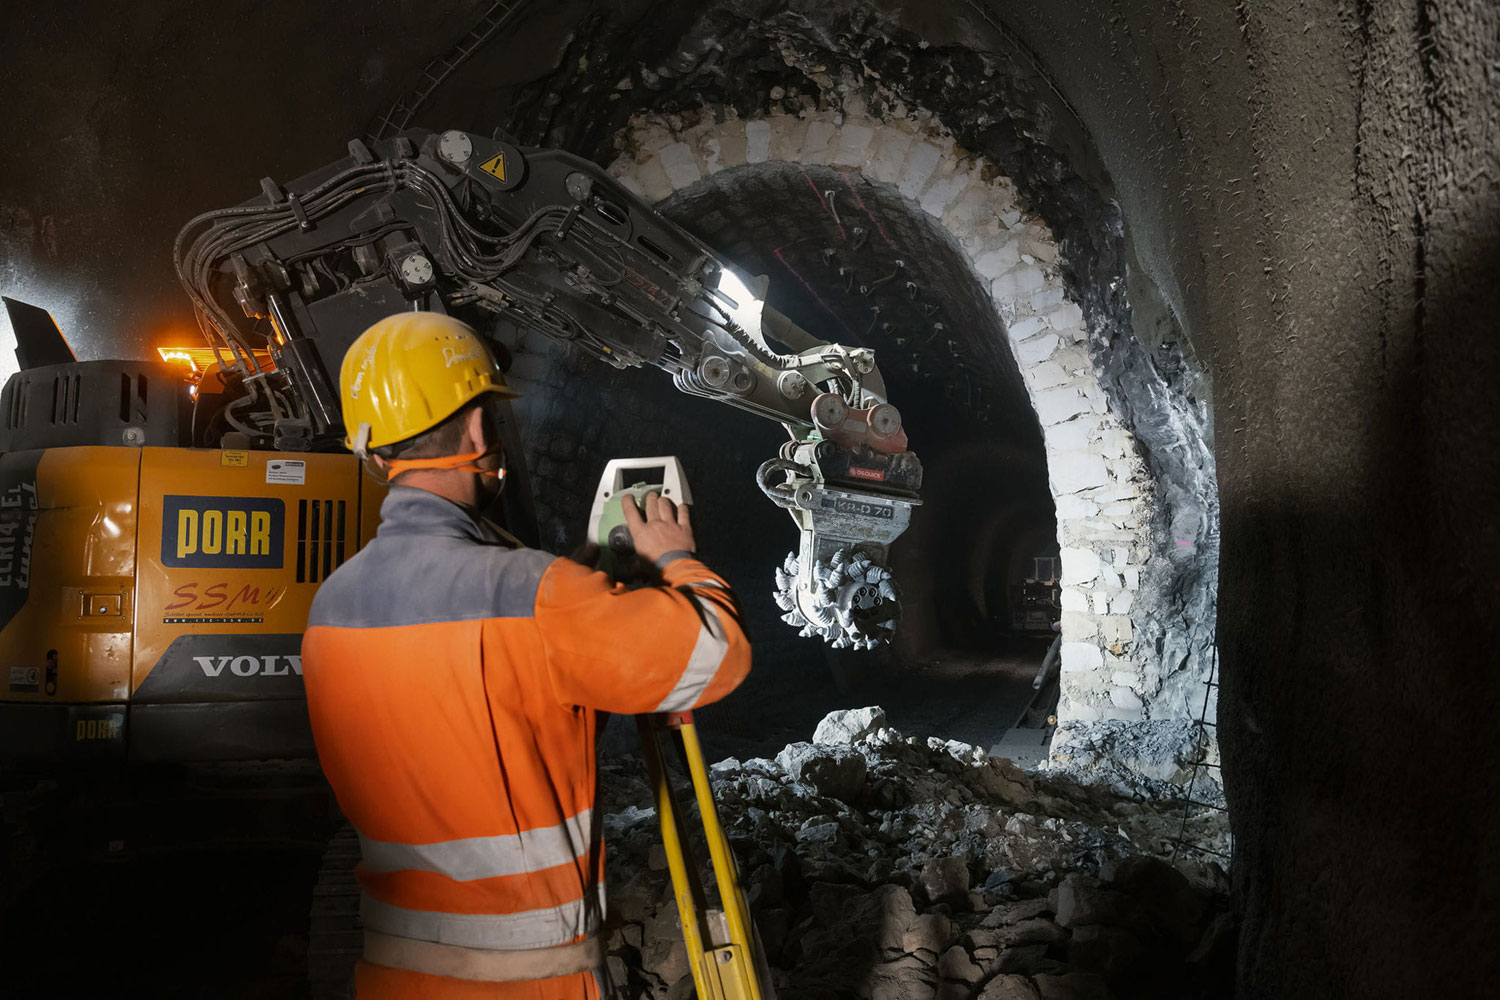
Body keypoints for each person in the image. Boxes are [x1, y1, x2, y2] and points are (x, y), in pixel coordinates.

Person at [301, 312, 752, 998]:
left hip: (393, 978)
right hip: (527, 985)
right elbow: (718, 656)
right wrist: (676, 560)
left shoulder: (330, 608)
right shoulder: (534, 595)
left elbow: (493, 716)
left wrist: (579, 583)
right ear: (479, 432)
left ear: (374, 453)